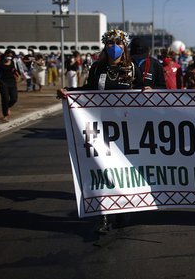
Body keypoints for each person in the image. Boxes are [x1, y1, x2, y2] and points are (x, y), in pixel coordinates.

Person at [58, 29, 145, 234]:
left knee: (123, 170)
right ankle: (104, 215)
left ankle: (123, 210)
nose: (114, 47)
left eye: (119, 43)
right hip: (100, 129)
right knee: (102, 170)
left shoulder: (132, 68)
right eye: (110, 43)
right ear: (105, 46)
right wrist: (68, 93)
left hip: (126, 129)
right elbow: (88, 89)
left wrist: (148, 91)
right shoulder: (97, 67)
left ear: (125, 47)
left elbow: (143, 92)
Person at [0, 49, 22, 122]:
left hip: (12, 82)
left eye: (11, 56)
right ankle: (5, 115)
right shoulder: (0, 63)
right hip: (3, 82)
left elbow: (16, 70)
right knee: (5, 99)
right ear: (5, 55)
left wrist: (18, 76)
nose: (9, 57)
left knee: (14, 99)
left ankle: (7, 107)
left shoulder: (13, 62)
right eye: (8, 56)